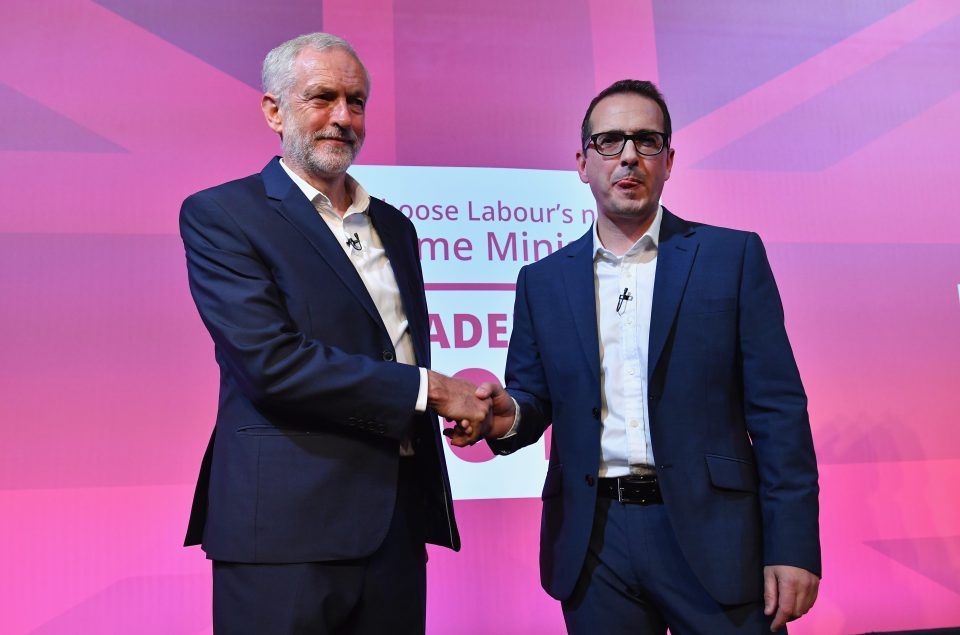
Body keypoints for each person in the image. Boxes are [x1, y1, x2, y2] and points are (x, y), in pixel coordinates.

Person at [449, 80, 820, 634]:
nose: (628, 155)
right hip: (594, 543)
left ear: (669, 161)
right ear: (582, 162)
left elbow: (778, 413)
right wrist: (506, 418)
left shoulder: (731, 257)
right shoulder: (541, 281)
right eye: (610, 141)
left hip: (715, 536)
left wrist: (793, 544)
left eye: (647, 141)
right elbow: (532, 401)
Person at [180, 32, 487, 634]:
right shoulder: (222, 215)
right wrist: (432, 389)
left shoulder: (395, 227)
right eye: (322, 98)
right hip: (285, 537)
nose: (343, 118)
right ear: (274, 111)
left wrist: (468, 405)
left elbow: (387, 347)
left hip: (394, 525)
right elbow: (272, 363)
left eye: (357, 101)